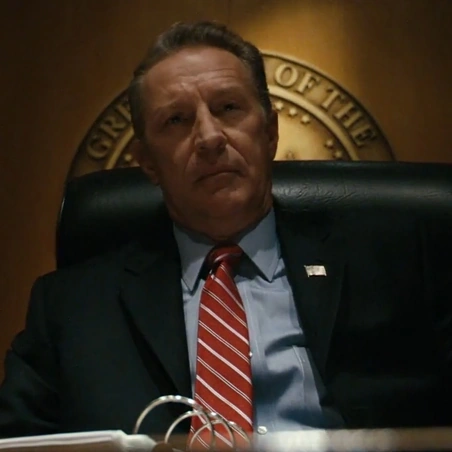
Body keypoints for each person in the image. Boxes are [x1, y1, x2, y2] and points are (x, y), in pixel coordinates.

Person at [0, 20, 451, 442]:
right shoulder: (71, 310)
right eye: (177, 120)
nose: (210, 137)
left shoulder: (396, 267)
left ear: (270, 132)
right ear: (147, 162)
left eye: (229, 108)